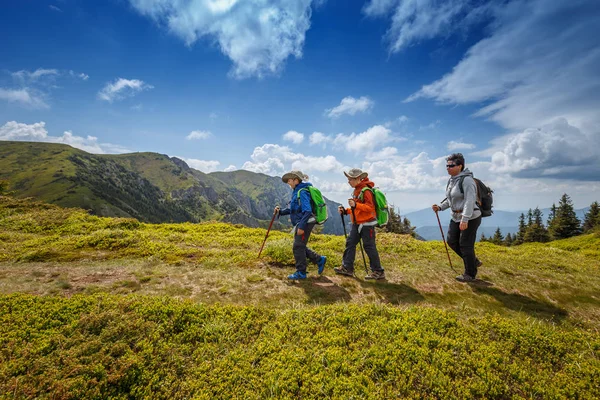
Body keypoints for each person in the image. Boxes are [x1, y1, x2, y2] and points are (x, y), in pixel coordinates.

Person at [432, 153, 483, 282]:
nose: (448, 168)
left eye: (451, 165)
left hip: (470, 217)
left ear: (460, 166)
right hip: (455, 216)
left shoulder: (467, 180)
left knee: (465, 245)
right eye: (447, 165)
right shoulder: (452, 180)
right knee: (451, 241)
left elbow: (469, 201)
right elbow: (451, 199)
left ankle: (470, 274)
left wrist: (465, 219)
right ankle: (473, 261)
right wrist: (440, 207)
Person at [334, 168, 385, 280]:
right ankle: (347, 268)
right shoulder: (358, 190)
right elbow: (357, 208)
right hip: (357, 223)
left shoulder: (366, 190)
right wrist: (346, 211)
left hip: (367, 224)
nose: (348, 182)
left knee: (369, 247)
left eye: (350, 179)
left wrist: (355, 205)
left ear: (357, 178)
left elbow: (370, 208)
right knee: (350, 243)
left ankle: (378, 271)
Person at [275, 170, 327, 280]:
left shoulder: (302, 192)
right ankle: (319, 259)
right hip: (303, 221)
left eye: (290, 179)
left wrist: (302, 227)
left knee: (297, 247)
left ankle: (301, 272)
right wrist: (280, 212)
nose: (288, 182)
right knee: (300, 246)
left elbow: (307, 211)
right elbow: (293, 209)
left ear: (296, 180)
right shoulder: (296, 191)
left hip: (305, 222)